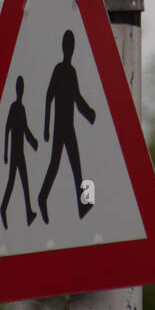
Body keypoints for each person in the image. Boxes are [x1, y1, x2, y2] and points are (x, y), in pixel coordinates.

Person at [38, 30, 95, 223]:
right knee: (55, 165)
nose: (70, 49)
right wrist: (45, 127)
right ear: (65, 48)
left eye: (72, 46)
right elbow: (48, 97)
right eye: (68, 45)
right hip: (60, 126)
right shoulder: (59, 70)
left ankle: (81, 205)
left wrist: (89, 113)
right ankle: (42, 198)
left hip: (69, 126)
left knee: (76, 166)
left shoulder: (72, 72)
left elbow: (77, 98)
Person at [0, 75, 38, 229]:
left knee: (24, 182)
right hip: (15, 151)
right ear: (17, 89)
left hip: (20, 151)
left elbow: (25, 129)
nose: (21, 90)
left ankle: (28, 212)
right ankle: (3, 208)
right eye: (20, 87)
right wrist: (5, 152)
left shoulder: (21, 108)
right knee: (12, 182)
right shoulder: (15, 107)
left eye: (22, 88)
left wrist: (33, 141)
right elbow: (7, 129)